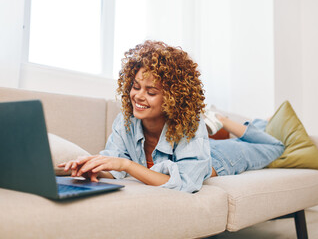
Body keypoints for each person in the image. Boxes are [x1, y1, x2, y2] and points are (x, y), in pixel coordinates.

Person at [58, 40, 284, 193]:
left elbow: (185, 183)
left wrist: (126, 165)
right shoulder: (126, 120)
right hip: (199, 148)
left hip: (220, 158)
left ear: (172, 98)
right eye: (135, 87)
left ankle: (223, 120)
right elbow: (115, 165)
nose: (138, 96)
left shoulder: (189, 124)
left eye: (151, 92)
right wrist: (92, 166)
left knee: (276, 148)